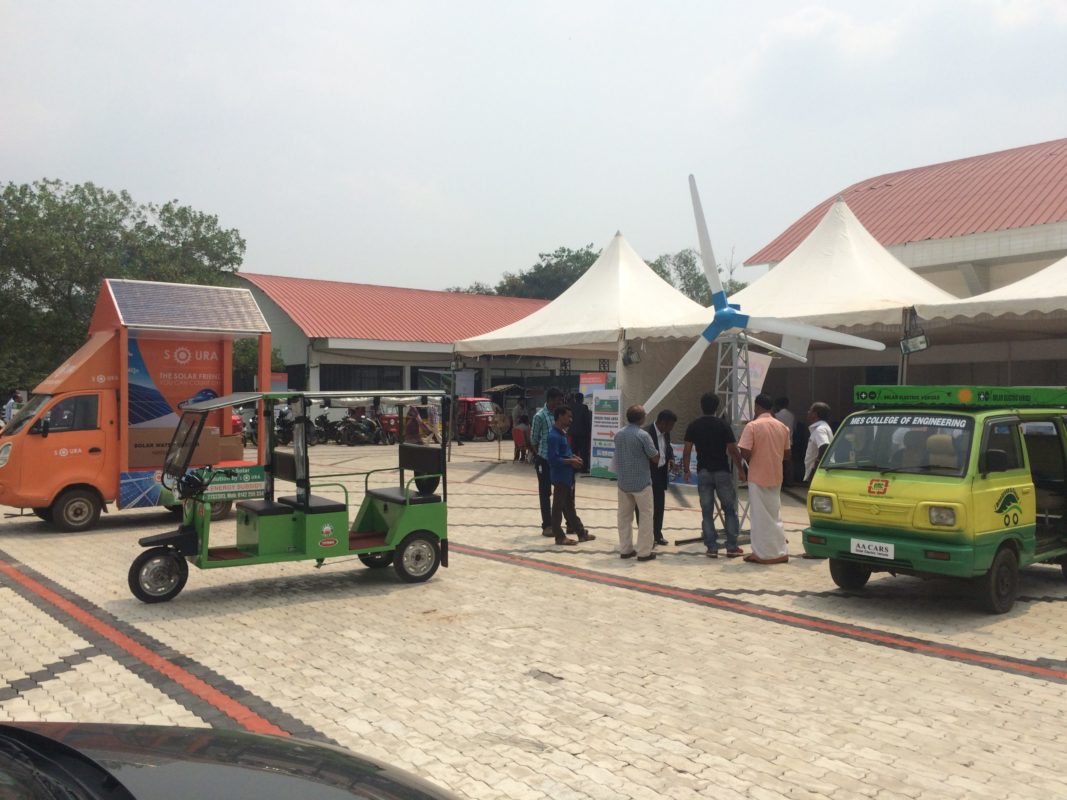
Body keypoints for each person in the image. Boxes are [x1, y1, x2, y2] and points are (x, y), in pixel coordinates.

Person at [682, 393, 746, 558]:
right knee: (730, 509)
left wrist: (687, 470)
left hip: (703, 472)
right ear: (717, 407)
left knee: (706, 511)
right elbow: (732, 450)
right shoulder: (723, 425)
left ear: (701, 405)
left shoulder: (693, 425)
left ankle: (711, 547)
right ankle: (732, 546)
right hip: (722, 472)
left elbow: (687, 450)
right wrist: (740, 469)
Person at [738, 393, 791, 565]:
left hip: (757, 475)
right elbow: (787, 454)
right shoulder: (783, 427)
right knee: (775, 514)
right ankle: (780, 551)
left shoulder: (752, 426)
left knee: (759, 516)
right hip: (776, 475)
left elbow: (744, 451)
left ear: (757, 407)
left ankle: (762, 554)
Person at [613, 405, 659, 562]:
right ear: (641, 418)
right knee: (646, 516)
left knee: (624, 517)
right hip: (642, 483)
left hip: (623, 482)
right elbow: (655, 457)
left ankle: (625, 549)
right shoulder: (643, 435)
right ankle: (644, 552)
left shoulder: (618, 434)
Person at [547, 406, 595, 546]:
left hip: (567, 477)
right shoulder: (553, 436)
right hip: (561, 477)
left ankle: (581, 533)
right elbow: (553, 460)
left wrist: (574, 457)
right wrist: (571, 461)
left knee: (569, 506)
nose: (571, 419)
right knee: (558, 507)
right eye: (568, 416)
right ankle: (559, 536)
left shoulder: (562, 434)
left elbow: (564, 454)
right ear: (560, 416)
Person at [531, 388, 564, 537]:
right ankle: (547, 525)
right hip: (544, 460)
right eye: (557, 401)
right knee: (545, 494)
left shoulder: (559, 415)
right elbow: (534, 439)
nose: (558, 403)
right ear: (550, 399)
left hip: (558, 461)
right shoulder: (540, 416)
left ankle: (567, 523)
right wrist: (540, 455)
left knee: (562, 492)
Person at [645, 409, 677, 547]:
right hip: (648, 474)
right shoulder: (646, 433)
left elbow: (667, 448)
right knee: (646, 509)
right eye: (670, 426)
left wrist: (671, 459)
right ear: (663, 423)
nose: (671, 429)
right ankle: (647, 538)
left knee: (659, 506)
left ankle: (657, 534)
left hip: (661, 474)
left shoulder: (666, 433)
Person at [803, 402, 834, 483]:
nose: (808, 412)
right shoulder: (823, 427)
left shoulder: (820, 429)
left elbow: (824, 446)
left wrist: (816, 467)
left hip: (816, 473)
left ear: (815, 414)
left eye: (810, 410)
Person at [773, 397, 796, 485]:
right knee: (789, 462)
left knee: (778, 462)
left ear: (777, 405)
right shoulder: (792, 415)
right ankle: (789, 481)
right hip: (789, 441)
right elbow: (794, 428)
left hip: (778, 442)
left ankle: (779, 481)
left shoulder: (776, 415)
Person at [570, 392, 593, 473]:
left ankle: (574, 468)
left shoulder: (571, 407)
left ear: (575, 399)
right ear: (582, 399)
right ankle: (583, 468)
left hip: (573, 433)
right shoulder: (584, 407)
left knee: (574, 451)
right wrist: (589, 431)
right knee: (583, 452)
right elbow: (586, 420)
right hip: (583, 433)